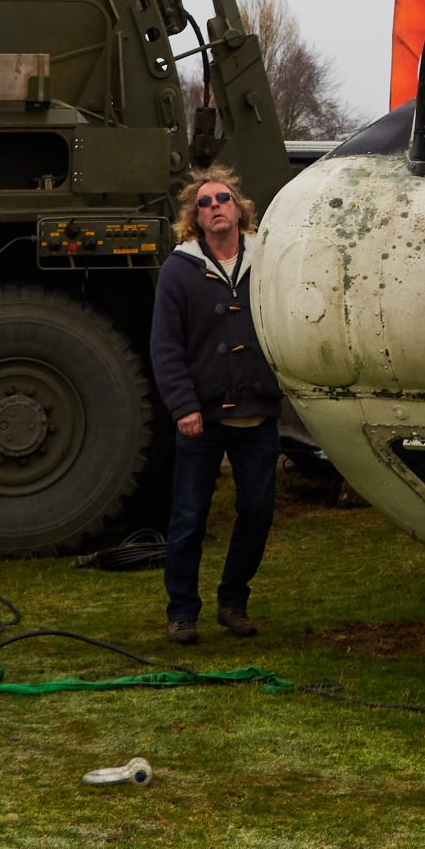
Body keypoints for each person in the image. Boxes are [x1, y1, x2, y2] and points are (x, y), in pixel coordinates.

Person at [149, 166, 283, 647]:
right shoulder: (179, 270)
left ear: (238, 208)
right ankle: (182, 612)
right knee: (188, 518)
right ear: (195, 218)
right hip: (201, 418)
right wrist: (183, 406)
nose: (214, 207)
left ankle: (233, 601)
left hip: (257, 414)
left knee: (257, 513)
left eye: (222, 198)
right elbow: (166, 345)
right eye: (204, 203)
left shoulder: (268, 261)